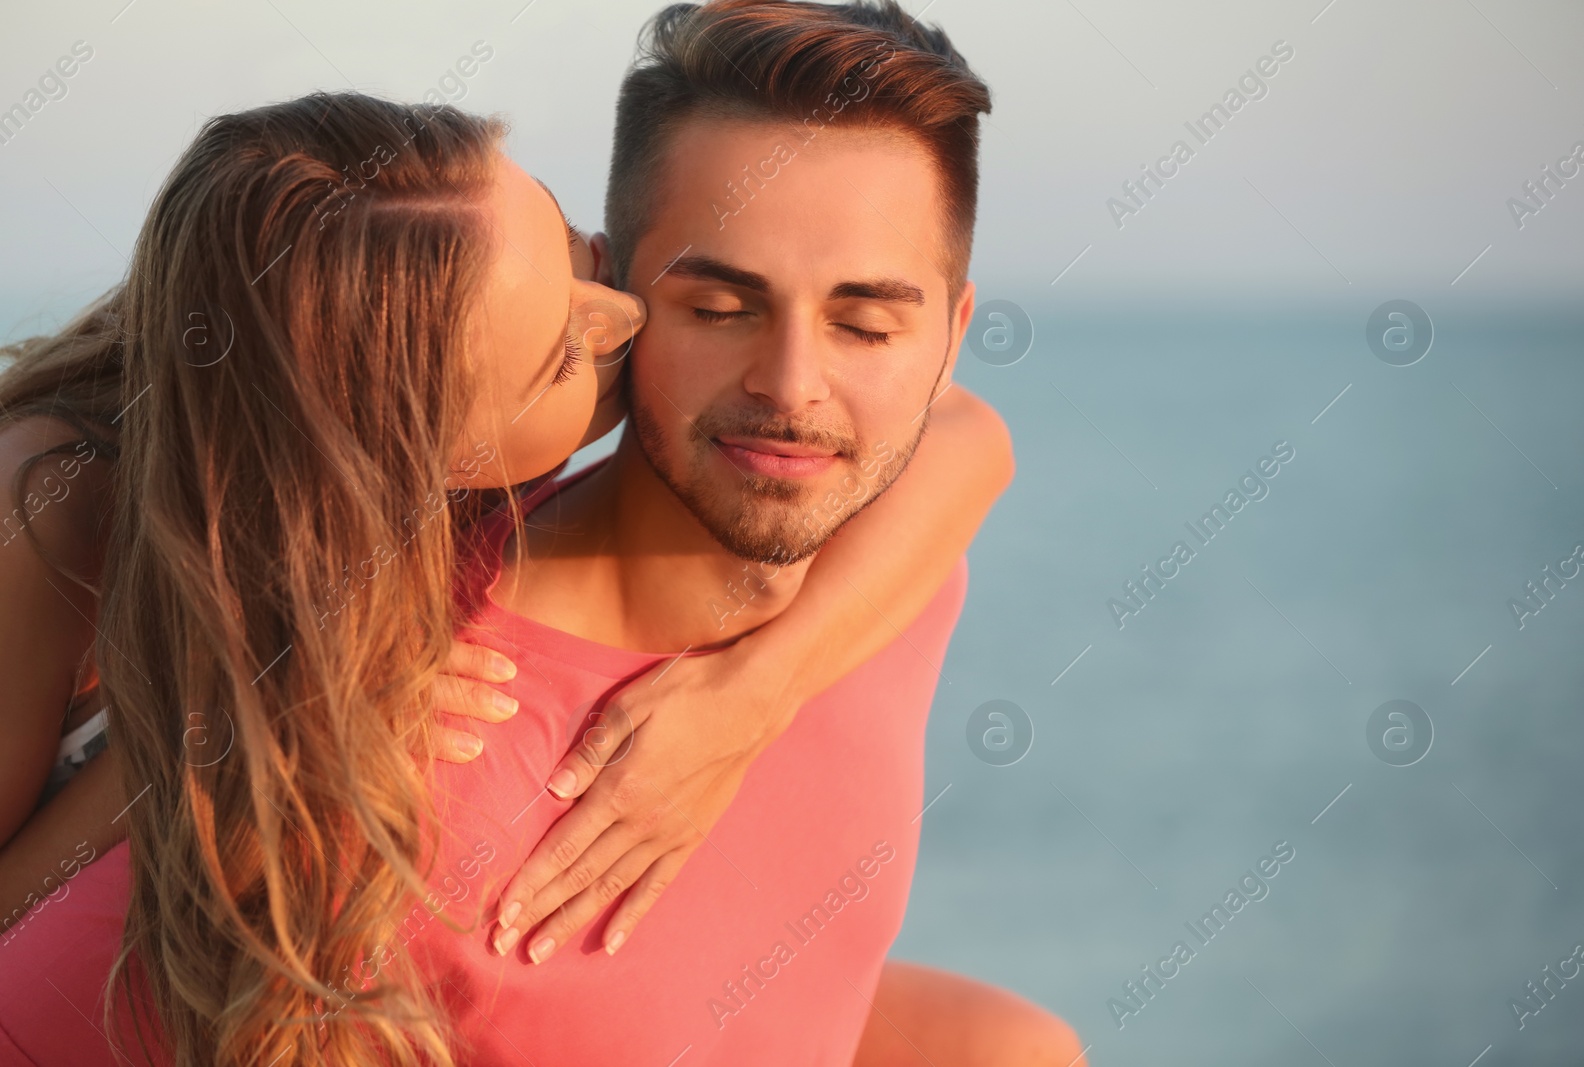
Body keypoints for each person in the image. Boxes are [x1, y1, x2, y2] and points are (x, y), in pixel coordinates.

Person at [0, 51, 1067, 1067]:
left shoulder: (378, 492)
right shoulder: (56, 505)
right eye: (566, 350)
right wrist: (261, 726)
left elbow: (966, 436)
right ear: (420, 449)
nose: (625, 318)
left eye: (570, 249)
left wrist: (753, 693)